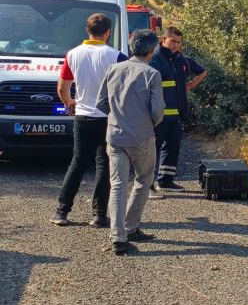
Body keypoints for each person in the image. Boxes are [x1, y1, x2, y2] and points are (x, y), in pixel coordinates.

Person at [50, 13, 127, 227]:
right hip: (107, 117)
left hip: (82, 116)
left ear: (87, 30)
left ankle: (61, 212)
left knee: (77, 163)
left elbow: (62, 87)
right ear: (108, 32)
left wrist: (69, 104)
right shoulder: (117, 56)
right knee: (104, 164)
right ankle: (99, 215)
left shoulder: (73, 54)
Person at [96, 30, 165, 254]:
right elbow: (157, 111)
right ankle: (131, 225)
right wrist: (147, 125)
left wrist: (117, 117)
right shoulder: (151, 74)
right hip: (141, 136)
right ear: (152, 50)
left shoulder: (113, 69)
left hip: (115, 135)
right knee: (144, 178)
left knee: (117, 185)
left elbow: (101, 103)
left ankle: (118, 236)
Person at [149, 26, 207, 197]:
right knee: (153, 149)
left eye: (179, 42)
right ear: (163, 39)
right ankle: (147, 185)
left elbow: (202, 72)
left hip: (176, 113)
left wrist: (188, 86)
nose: (176, 45)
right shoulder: (154, 58)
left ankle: (166, 180)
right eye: (173, 41)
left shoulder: (182, 59)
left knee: (173, 146)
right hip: (158, 114)